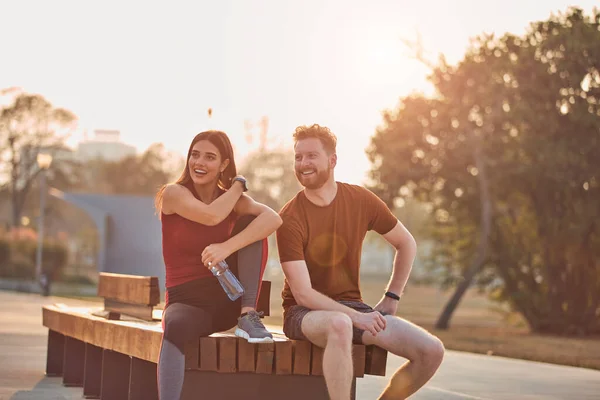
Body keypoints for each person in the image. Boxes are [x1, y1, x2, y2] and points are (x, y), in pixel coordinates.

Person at [276, 124, 445, 400]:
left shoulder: (360, 200)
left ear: (332, 160)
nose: (303, 164)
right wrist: (357, 317)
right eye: (298, 157)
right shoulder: (290, 219)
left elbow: (406, 243)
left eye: (311, 156)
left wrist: (392, 297)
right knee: (340, 325)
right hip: (302, 314)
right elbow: (303, 294)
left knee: (431, 351)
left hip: (352, 308)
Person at [154, 130, 282, 400]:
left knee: (253, 224)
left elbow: (273, 219)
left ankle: (248, 315)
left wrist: (227, 248)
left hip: (228, 298)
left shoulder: (232, 202)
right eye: (195, 154)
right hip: (187, 303)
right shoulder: (173, 194)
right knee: (174, 324)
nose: (199, 163)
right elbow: (211, 216)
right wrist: (238, 185)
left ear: (223, 164)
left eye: (210, 157)